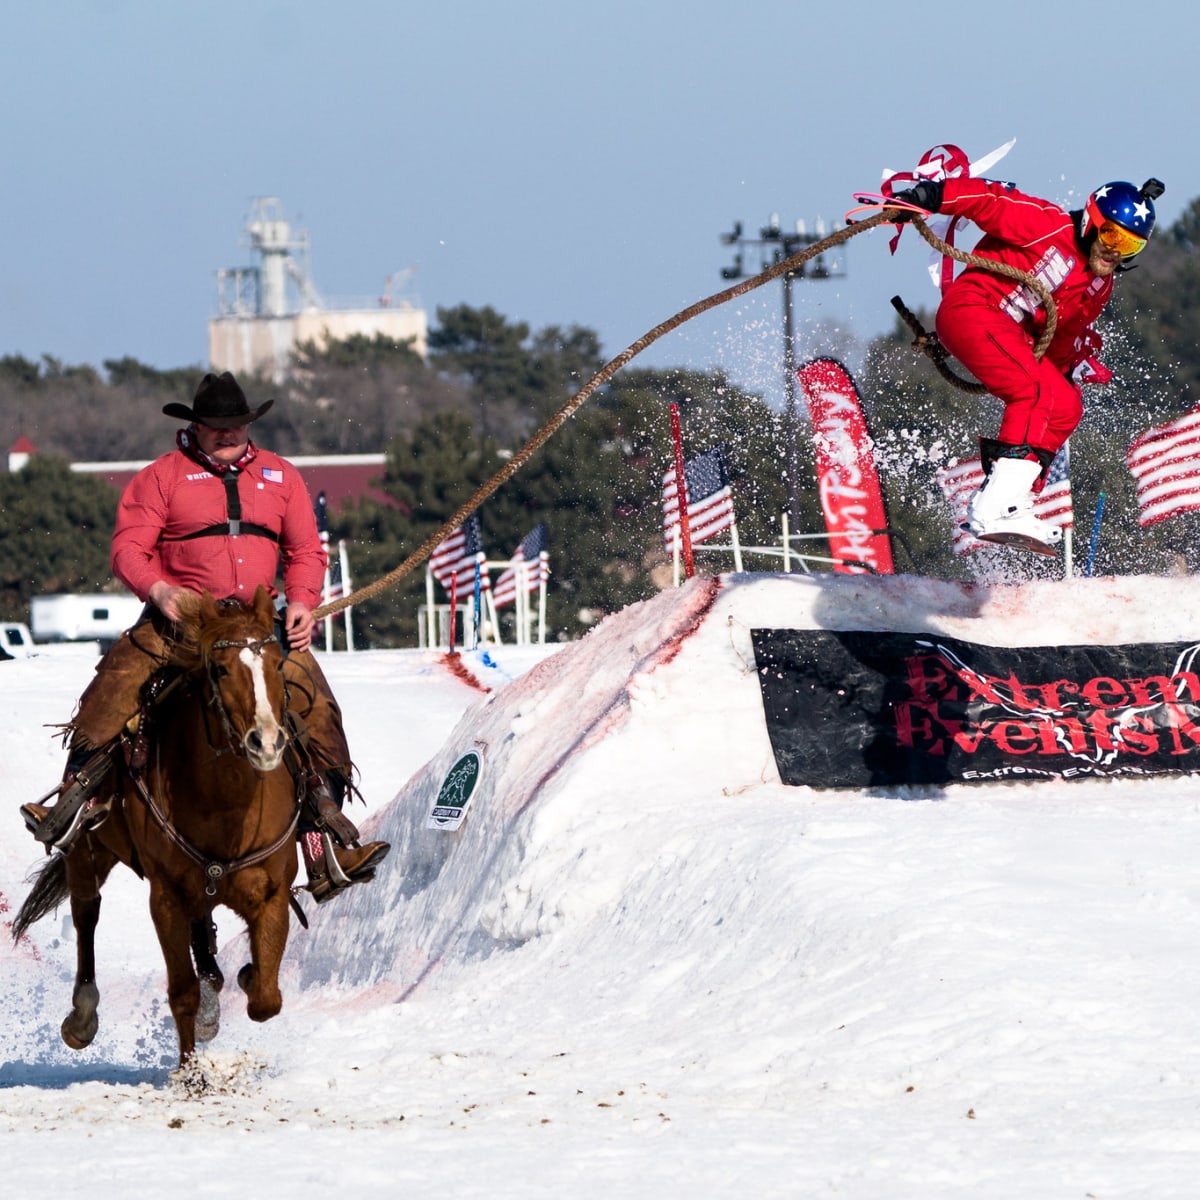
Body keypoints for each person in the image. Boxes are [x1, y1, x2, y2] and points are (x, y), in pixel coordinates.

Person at [20, 371, 390, 904]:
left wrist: (304, 600)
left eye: (235, 424)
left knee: (317, 710)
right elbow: (129, 550)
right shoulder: (161, 478)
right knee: (115, 682)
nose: (226, 434)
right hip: (182, 622)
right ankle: (71, 801)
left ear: (248, 423)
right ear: (195, 426)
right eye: (215, 426)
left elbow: (307, 552)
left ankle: (323, 848)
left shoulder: (281, 477)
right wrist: (158, 590)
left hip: (257, 628)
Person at [886, 174, 1164, 550]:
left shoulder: (1099, 286)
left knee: (1065, 404)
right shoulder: (1048, 225)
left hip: (1009, 336)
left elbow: (1060, 339)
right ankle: (995, 506)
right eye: (1112, 236)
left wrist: (1066, 371)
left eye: (1131, 245)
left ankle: (1014, 497)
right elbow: (990, 200)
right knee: (1031, 392)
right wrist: (929, 196)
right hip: (974, 309)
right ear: (1092, 221)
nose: (1116, 251)